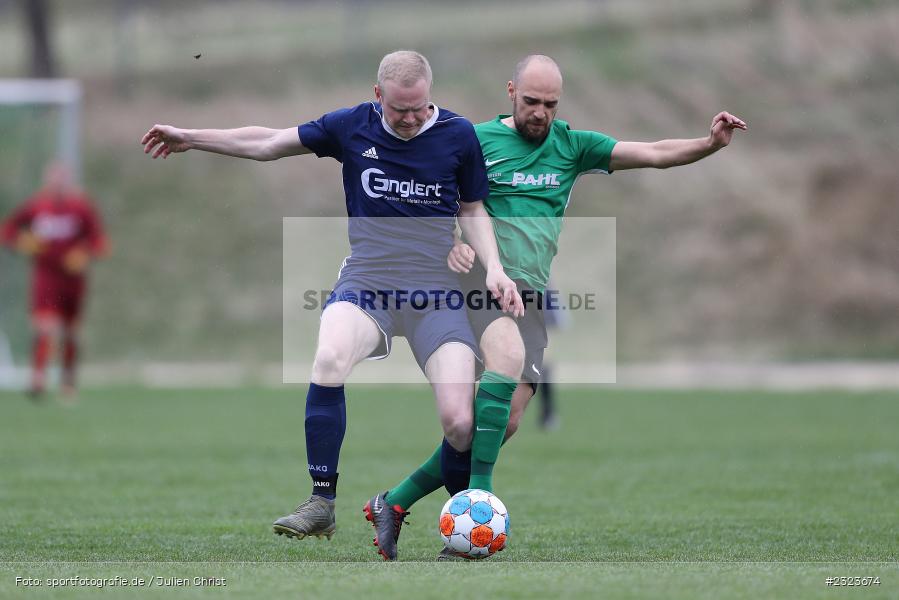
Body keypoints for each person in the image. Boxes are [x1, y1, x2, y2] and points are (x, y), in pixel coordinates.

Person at [140, 50, 523, 561]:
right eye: (398, 110)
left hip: (436, 291)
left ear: (430, 96)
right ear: (377, 96)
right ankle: (322, 501)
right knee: (328, 358)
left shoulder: (458, 136)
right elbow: (269, 142)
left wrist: (493, 267)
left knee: (458, 421)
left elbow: (473, 209)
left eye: (418, 109)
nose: (409, 120)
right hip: (368, 281)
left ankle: (446, 516)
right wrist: (193, 137)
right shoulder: (351, 127)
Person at [380, 54, 747, 560]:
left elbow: (656, 152)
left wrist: (708, 144)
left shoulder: (573, 146)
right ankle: (475, 512)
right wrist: (450, 241)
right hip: (477, 287)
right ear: (510, 91)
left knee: (501, 423)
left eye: (550, 104)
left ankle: (393, 503)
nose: (540, 113)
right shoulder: (475, 139)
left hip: (529, 297)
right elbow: (433, 197)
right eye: (531, 101)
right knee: (499, 375)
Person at [1, 163, 108, 400]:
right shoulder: (37, 206)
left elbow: (100, 241)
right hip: (46, 277)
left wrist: (85, 253)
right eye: (53, 179)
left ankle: (68, 382)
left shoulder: (80, 207)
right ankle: (37, 380)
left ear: (68, 181)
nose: (57, 183)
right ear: (46, 181)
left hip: (73, 280)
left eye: (62, 178)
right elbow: (7, 229)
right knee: (45, 327)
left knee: (71, 333)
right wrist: (21, 242)